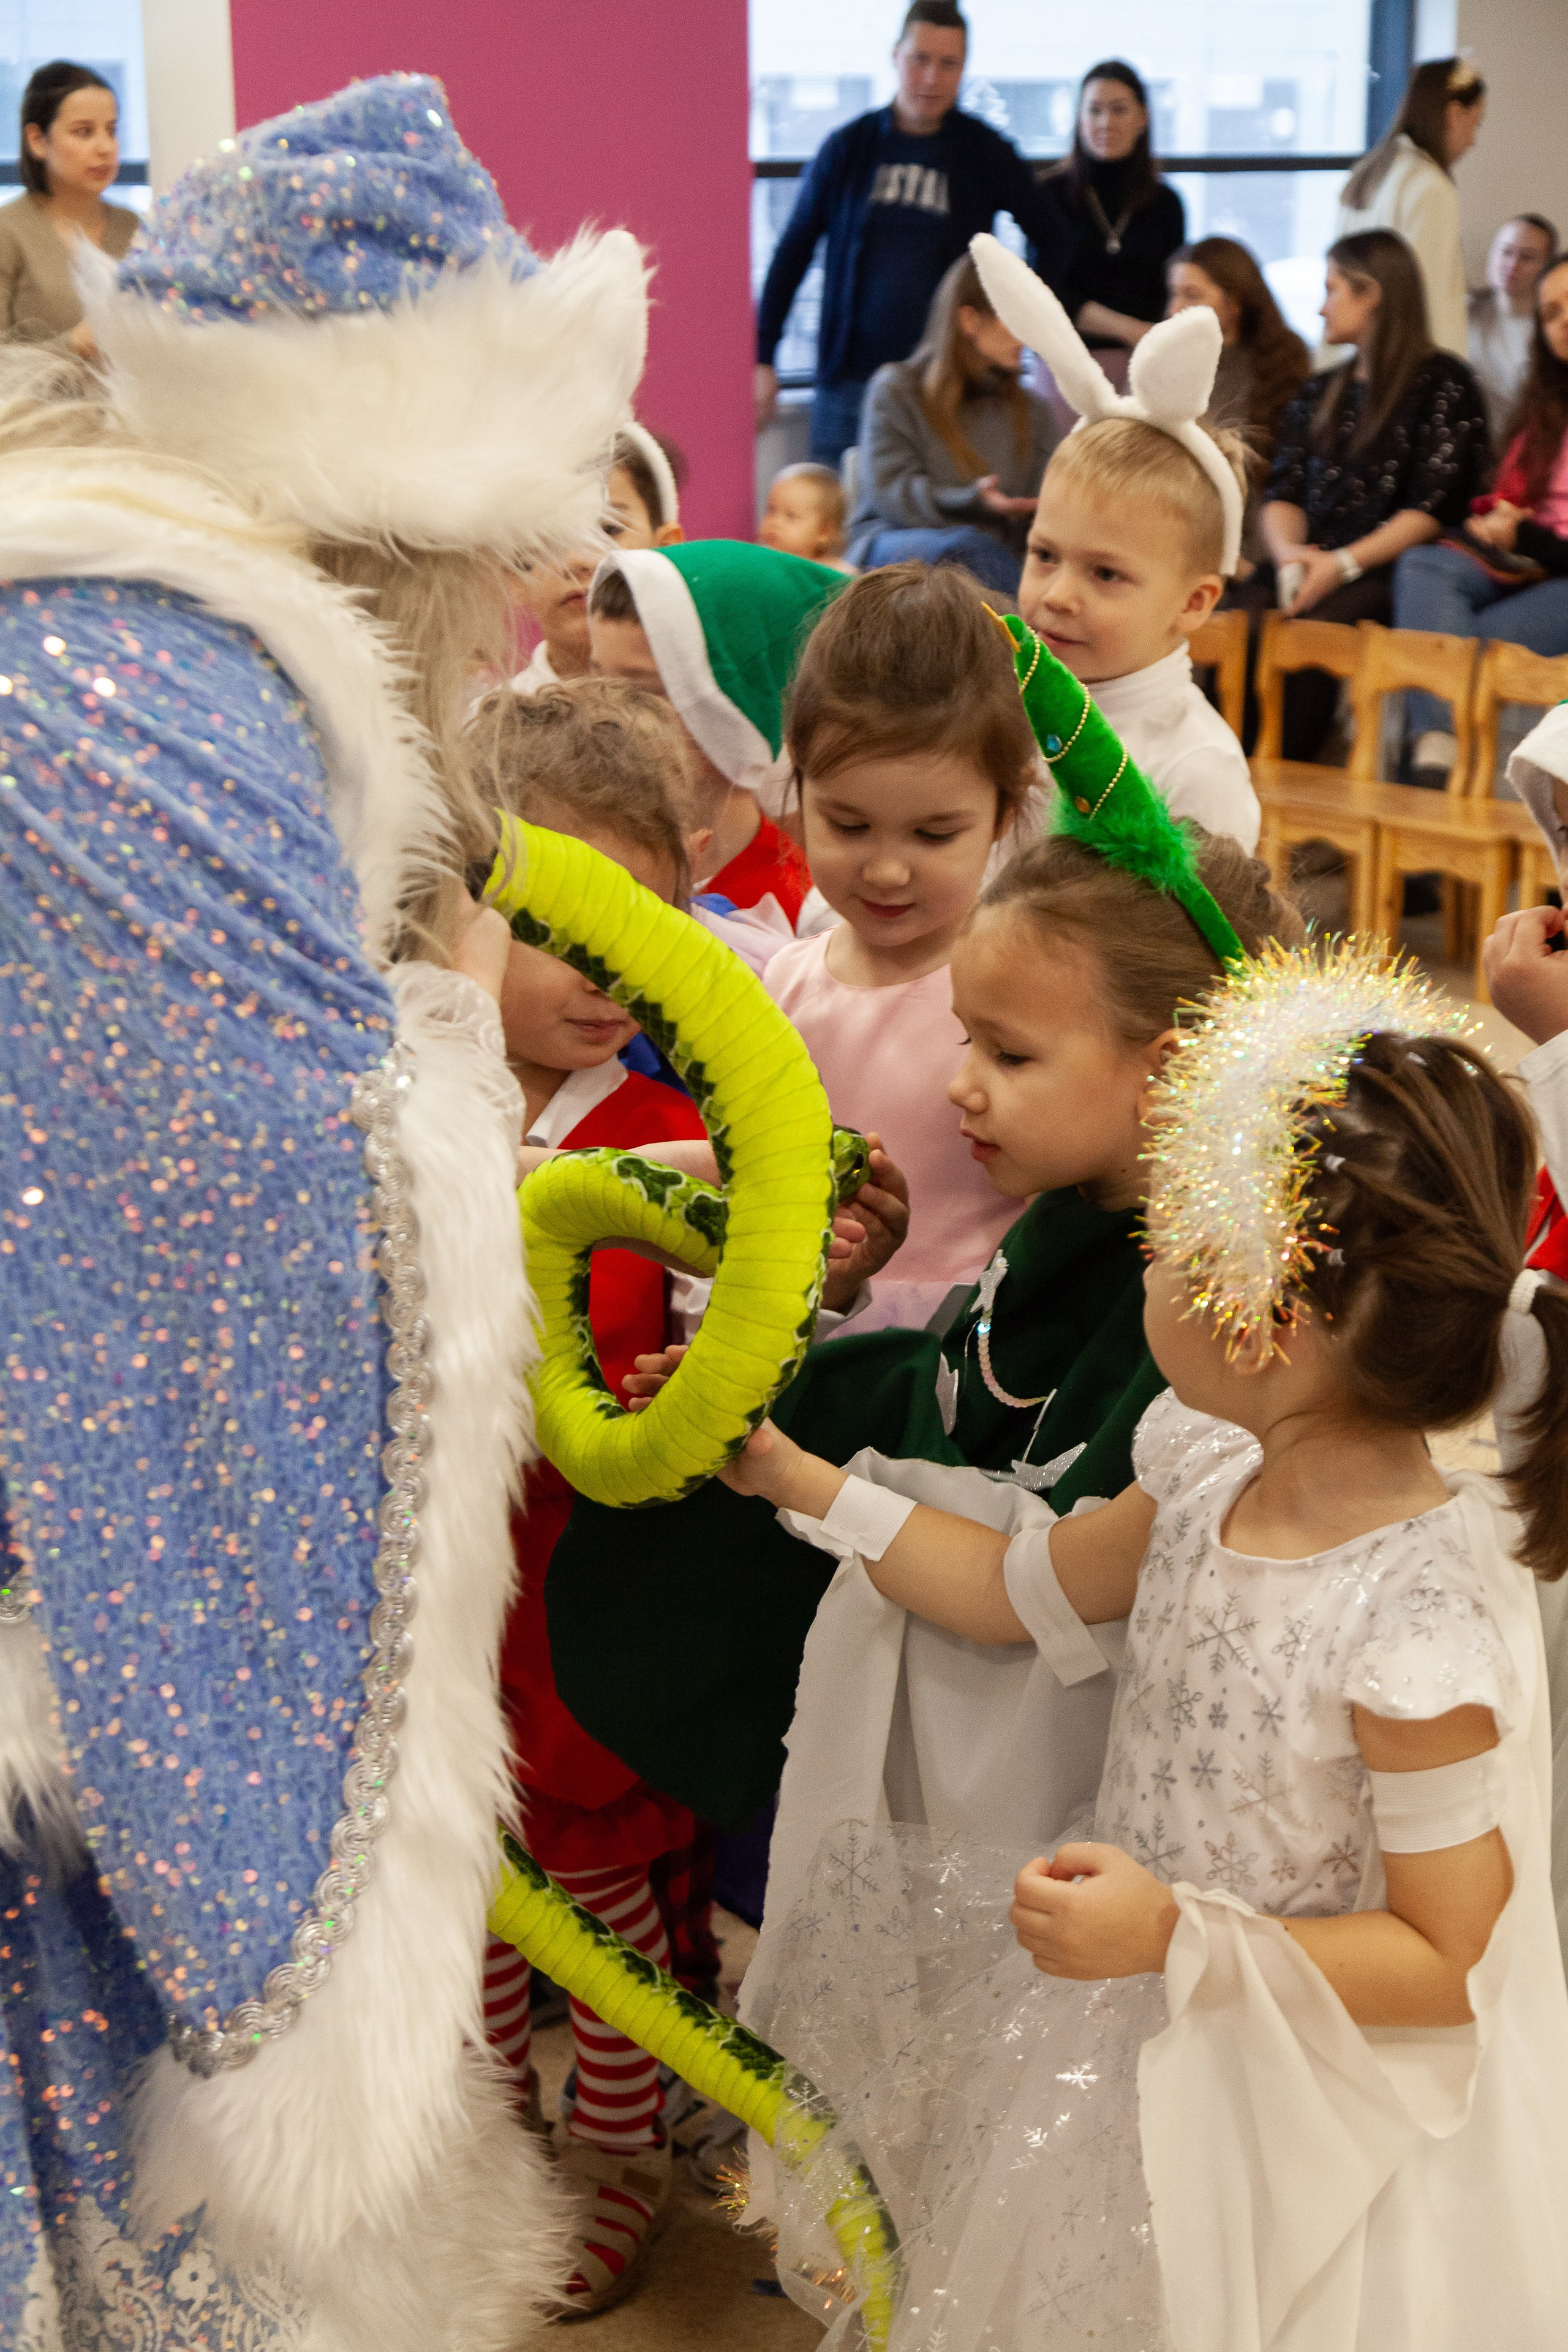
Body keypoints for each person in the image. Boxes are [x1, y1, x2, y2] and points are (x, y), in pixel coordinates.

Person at [0, 74, 650, 2346]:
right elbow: (252, 1230)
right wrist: (450, 1040)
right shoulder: (133, 698)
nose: (537, 609)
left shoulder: (125, 638)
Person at [737, 951, 1568, 2351]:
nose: (1153, 1264)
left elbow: (1442, 1956)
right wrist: (794, 1479)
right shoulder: (1200, 1455)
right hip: (1127, 2031)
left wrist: (1176, 1933)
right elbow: (1017, 1588)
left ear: (1273, 1318)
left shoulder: (1415, 1631)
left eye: (1179, 1241)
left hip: (1302, 2110)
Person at [547, 643, 1298, 1869]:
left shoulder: (1186, 1313)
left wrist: (785, 1469)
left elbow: (1041, 1581)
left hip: (1032, 1792)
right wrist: (759, 1399)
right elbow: (934, 1393)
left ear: (1161, 1076)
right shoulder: (1066, 1211)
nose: (959, 1088)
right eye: (966, 1042)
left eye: (1006, 1057)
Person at [463, 680, 712, 2314]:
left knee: (602, 1903)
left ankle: (619, 2152)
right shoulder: (428, 1111)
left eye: (648, 925)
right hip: (443, 1595)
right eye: (568, 919)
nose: (607, 968)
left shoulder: (679, 1140)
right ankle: (483, 2142)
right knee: (466, 1890)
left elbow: (715, 1364)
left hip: (593, 1600)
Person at [761, 564, 1035, 1309]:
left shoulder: (1029, 995)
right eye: (847, 825)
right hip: (801, 1353)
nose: (885, 871)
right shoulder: (780, 986)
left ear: (1003, 812)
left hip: (970, 1371)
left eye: (933, 833)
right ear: (800, 790)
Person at [971, 232, 1259, 847]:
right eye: (1044, 555)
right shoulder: (998, 711)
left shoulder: (1193, 769)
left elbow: (1196, 941)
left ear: (1193, 602)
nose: (1059, 595)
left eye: (1105, 574)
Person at [753, 0, 1057, 467]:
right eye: (920, 60)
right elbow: (792, 252)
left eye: (948, 64)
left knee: (934, 520)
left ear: (963, 69)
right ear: (897, 56)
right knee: (836, 519)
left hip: (945, 382)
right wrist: (764, 357)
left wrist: (1014, 319)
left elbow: (1054, 235)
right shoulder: (848, 148)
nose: (931, 78)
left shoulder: (984, 152)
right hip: (848, 380)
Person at [1262, 228, 1488, 761]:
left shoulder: (1444, 382)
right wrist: (1290, 558)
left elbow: (1433, 508)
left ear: (1374, 295)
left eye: (1333, 289)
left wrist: (1339, 565)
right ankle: (1225, 777)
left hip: (1388, 567)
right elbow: (1283, 490)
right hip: (1310, 560)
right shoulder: (1322, 390)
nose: (1320, 309)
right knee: (1243, 617)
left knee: (1315, 635)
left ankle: (1293, 785)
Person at [587, 540, 846, 933]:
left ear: (733, 710)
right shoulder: (572, 855)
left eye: (640, 692)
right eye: (594, 681)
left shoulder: (802, 914)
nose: (601, 713)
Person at [1394, 251, 1568, 785]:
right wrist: (1498, 519)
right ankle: (1438, 748)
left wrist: (1526, 534)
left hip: (1555, 571)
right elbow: (1512, 493)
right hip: (1523, 561)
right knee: (1422, 565)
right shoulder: (1546, 405)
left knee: (1461, 645)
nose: (1564, 324)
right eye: (1552, 313)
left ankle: (1431, 773)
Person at [843, 251, 1057, 590]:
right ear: (970, 321)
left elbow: (1048, 504)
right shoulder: (897, 389)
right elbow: (893, 496)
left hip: (998, 555)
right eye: (1014, 318)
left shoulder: (1034, 410)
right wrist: (972, 501)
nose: (1025, 336)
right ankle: (1021, 642)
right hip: (895, 542)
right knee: (970, 551)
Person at [1166, 235, 1310, 575]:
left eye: (1192, 295)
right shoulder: (1164, 364)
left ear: (1235, 302)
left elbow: (1287, 477)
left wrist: (1243, 562)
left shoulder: (1282, 362)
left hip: (1256, 550)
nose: (1175, 309)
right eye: (1173, 294)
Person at [510, 421, 683, 695]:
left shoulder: (718, 715)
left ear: (666, 547)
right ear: (514, 579)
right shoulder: (489, 729)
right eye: (548, 542)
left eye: (609, 530)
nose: (577, 561)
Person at [1035, 61, 1185, 366]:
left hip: (1148, 366)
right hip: (1065, 364)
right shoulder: (1050, 194)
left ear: (1143, 118)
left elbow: (1172, 292)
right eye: (1094, 110)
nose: (1106, 123)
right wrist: (1132, 330)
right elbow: (1044, 293)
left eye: (1119, 110)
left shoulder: (1167, 203)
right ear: (1079, 118)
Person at [1336, 56, 1487, 360]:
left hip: (1359, 352)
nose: (1472, 142)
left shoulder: (1370, 172)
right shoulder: (1431, 186)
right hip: (1406, 363)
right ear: (1455, 114)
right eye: (1475, 125)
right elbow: (1432, 298)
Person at [0, 60, 138, 352]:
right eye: (84, 132)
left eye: (112, 131)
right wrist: (73, 345)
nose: (105, 147)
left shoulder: (136, 228)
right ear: (38, 141)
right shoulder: (7, 231)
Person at [1469, 211, 1559, 446]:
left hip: (1522, 451)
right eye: (1505, 251)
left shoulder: (1553, 330)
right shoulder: (1463, 312)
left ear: (1547, 267)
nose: (1512, 265)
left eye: (1527, 257)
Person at [760, 459, 853, 568]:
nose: (775, 522)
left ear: (824, 532)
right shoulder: (760, 560)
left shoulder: (835, 573)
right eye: (771, 510)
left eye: (791, 516)